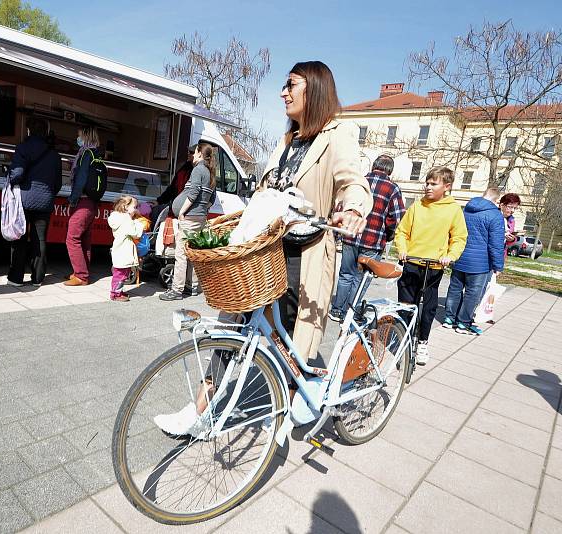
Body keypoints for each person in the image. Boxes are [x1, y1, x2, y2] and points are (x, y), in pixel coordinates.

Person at [154, 61, 373, 436]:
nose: (283, 92)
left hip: (306, 253)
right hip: (266, 249)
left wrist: (353, 208)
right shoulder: (288, 141)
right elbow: (267, 190)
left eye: (291, 85)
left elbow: (354, 180)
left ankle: (288, 408)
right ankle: (200, 408)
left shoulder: (338, 135)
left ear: (315, 89)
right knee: (233, 318)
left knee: (291, 335)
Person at [394, 167, 468, 365]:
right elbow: (402, 232)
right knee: (405, 305)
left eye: (433, 183)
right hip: (411, 262)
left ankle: (423, 342)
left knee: (428, 308)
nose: (428, 186)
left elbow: (459, 238)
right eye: (427, 182)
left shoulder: (453, 209)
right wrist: (402, 249)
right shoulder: (417, 206)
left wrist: (450, 256)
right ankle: (404, 339)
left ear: (446, 187)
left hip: (434, 267)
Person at [329, 154, 404, 321]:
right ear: (390, 170)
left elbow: (341, 206)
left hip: (351, 235)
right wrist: (388, 231)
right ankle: (350, 313)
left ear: (373, 166)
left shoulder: (358, 183)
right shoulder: (392, 188)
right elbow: (398, 217)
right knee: (360, 278)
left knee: (345, 275)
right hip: (373, 241)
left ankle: (336, 310)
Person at [6, 118, 63, 287]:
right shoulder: (55, 155)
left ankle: (15, 278)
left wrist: (9, 176)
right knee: (40, 240)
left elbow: (17, 174)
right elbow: (57, 183)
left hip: (24, 200)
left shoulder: (23, 148)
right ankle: (37, 278)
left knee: (19, 238)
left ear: (29, 131)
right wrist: (48, 194)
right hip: (45, 201)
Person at [159, 142, 218, 301]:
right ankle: (191, 286)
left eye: (195, 152)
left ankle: (176, 290)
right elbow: (211, 198)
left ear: (199, 153)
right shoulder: (210, 172)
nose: (192, 156)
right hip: (199, 218)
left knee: (181, 254)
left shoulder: (198, 170)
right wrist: (203, 210)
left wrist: (182, 211)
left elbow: (193, 193)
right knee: (192, 253)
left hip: (190, 218)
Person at [442, 187, 504, 335]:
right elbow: (495, 244)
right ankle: (463, 323)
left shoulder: (467, 209)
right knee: (472, 293)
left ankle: (449, 318)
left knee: (455, 288)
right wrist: (498, 265)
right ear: (496, 201)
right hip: (480, 262)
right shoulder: (495, 215)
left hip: (460, 256)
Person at [64, 126, 100, 286]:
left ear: (85, 136)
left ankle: (81, 275)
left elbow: (81, 179)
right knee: (84, 238)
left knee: (72, 238)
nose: (77, 138)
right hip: (92, 203)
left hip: (83, 202)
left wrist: (72, 200)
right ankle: (81, 271)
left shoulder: (86, 154)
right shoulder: (96, 153)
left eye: (78, 135)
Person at [107, 195, 145, 302]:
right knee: (121, 274)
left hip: (119, 249)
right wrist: (139, 223)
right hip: (124, 250)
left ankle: (118, 291)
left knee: (120, 272)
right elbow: (135, 233)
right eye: (134, 207)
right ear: (125, 207)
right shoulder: (126, 219)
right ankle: (115, 294)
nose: (136, 209)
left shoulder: (117, 217)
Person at [499, 193, 522, 261]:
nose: (513, 211)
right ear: (502, 205)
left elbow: (507, 242)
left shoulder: (511, 221)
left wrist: (512, 239)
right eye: (510, 207)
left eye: (515, 208)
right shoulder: (493, 217)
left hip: (501, 255)